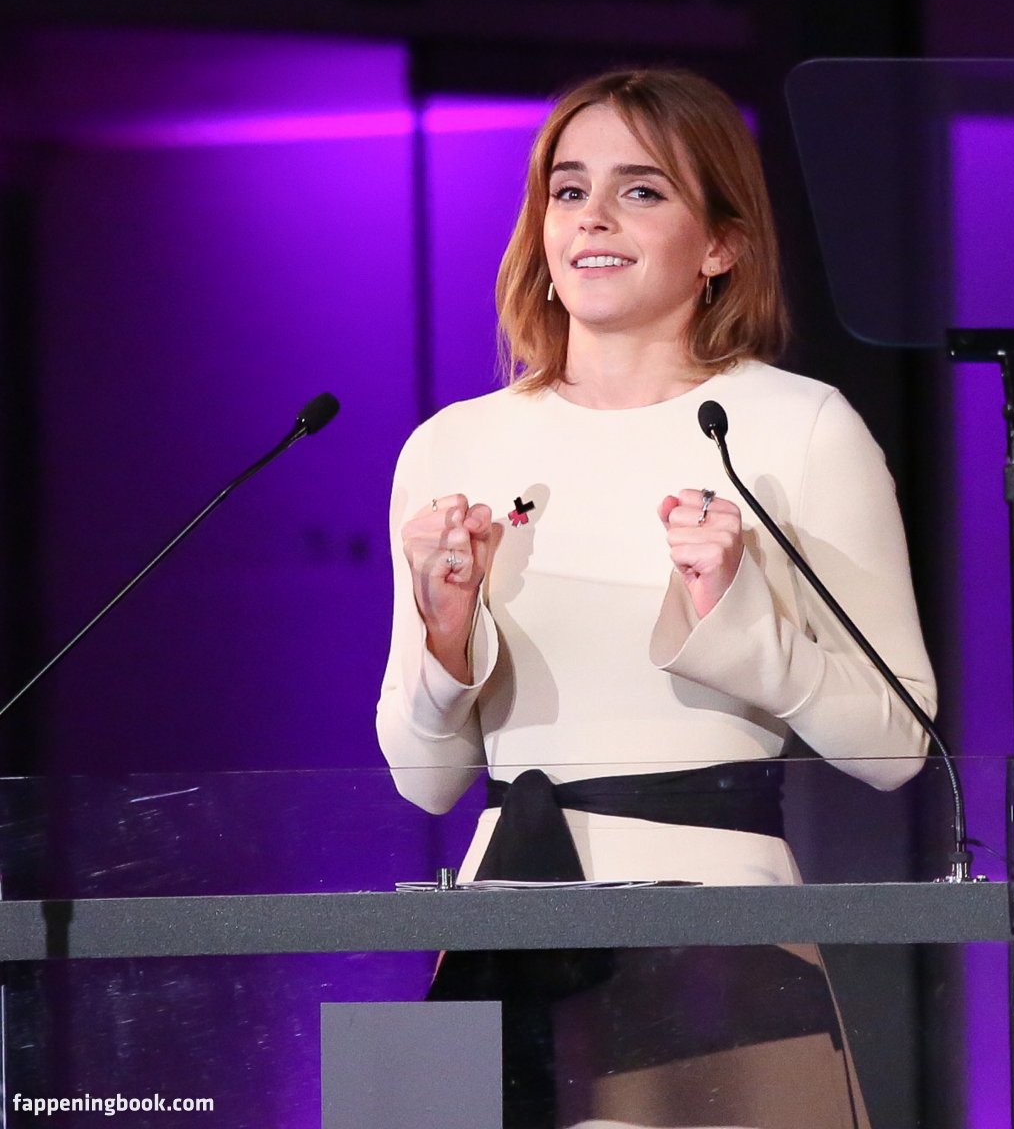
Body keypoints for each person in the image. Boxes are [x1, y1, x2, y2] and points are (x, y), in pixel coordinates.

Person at [376, 67, 937, 1128]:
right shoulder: (453, 443)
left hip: (717, 946)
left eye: (640, 189)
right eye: (567, 188)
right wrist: (446, 640)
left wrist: (734, 619)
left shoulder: (797, 427)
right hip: (499, 926)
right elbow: (423, 780)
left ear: (720, 243)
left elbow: (895, 746)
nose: (591, 215)